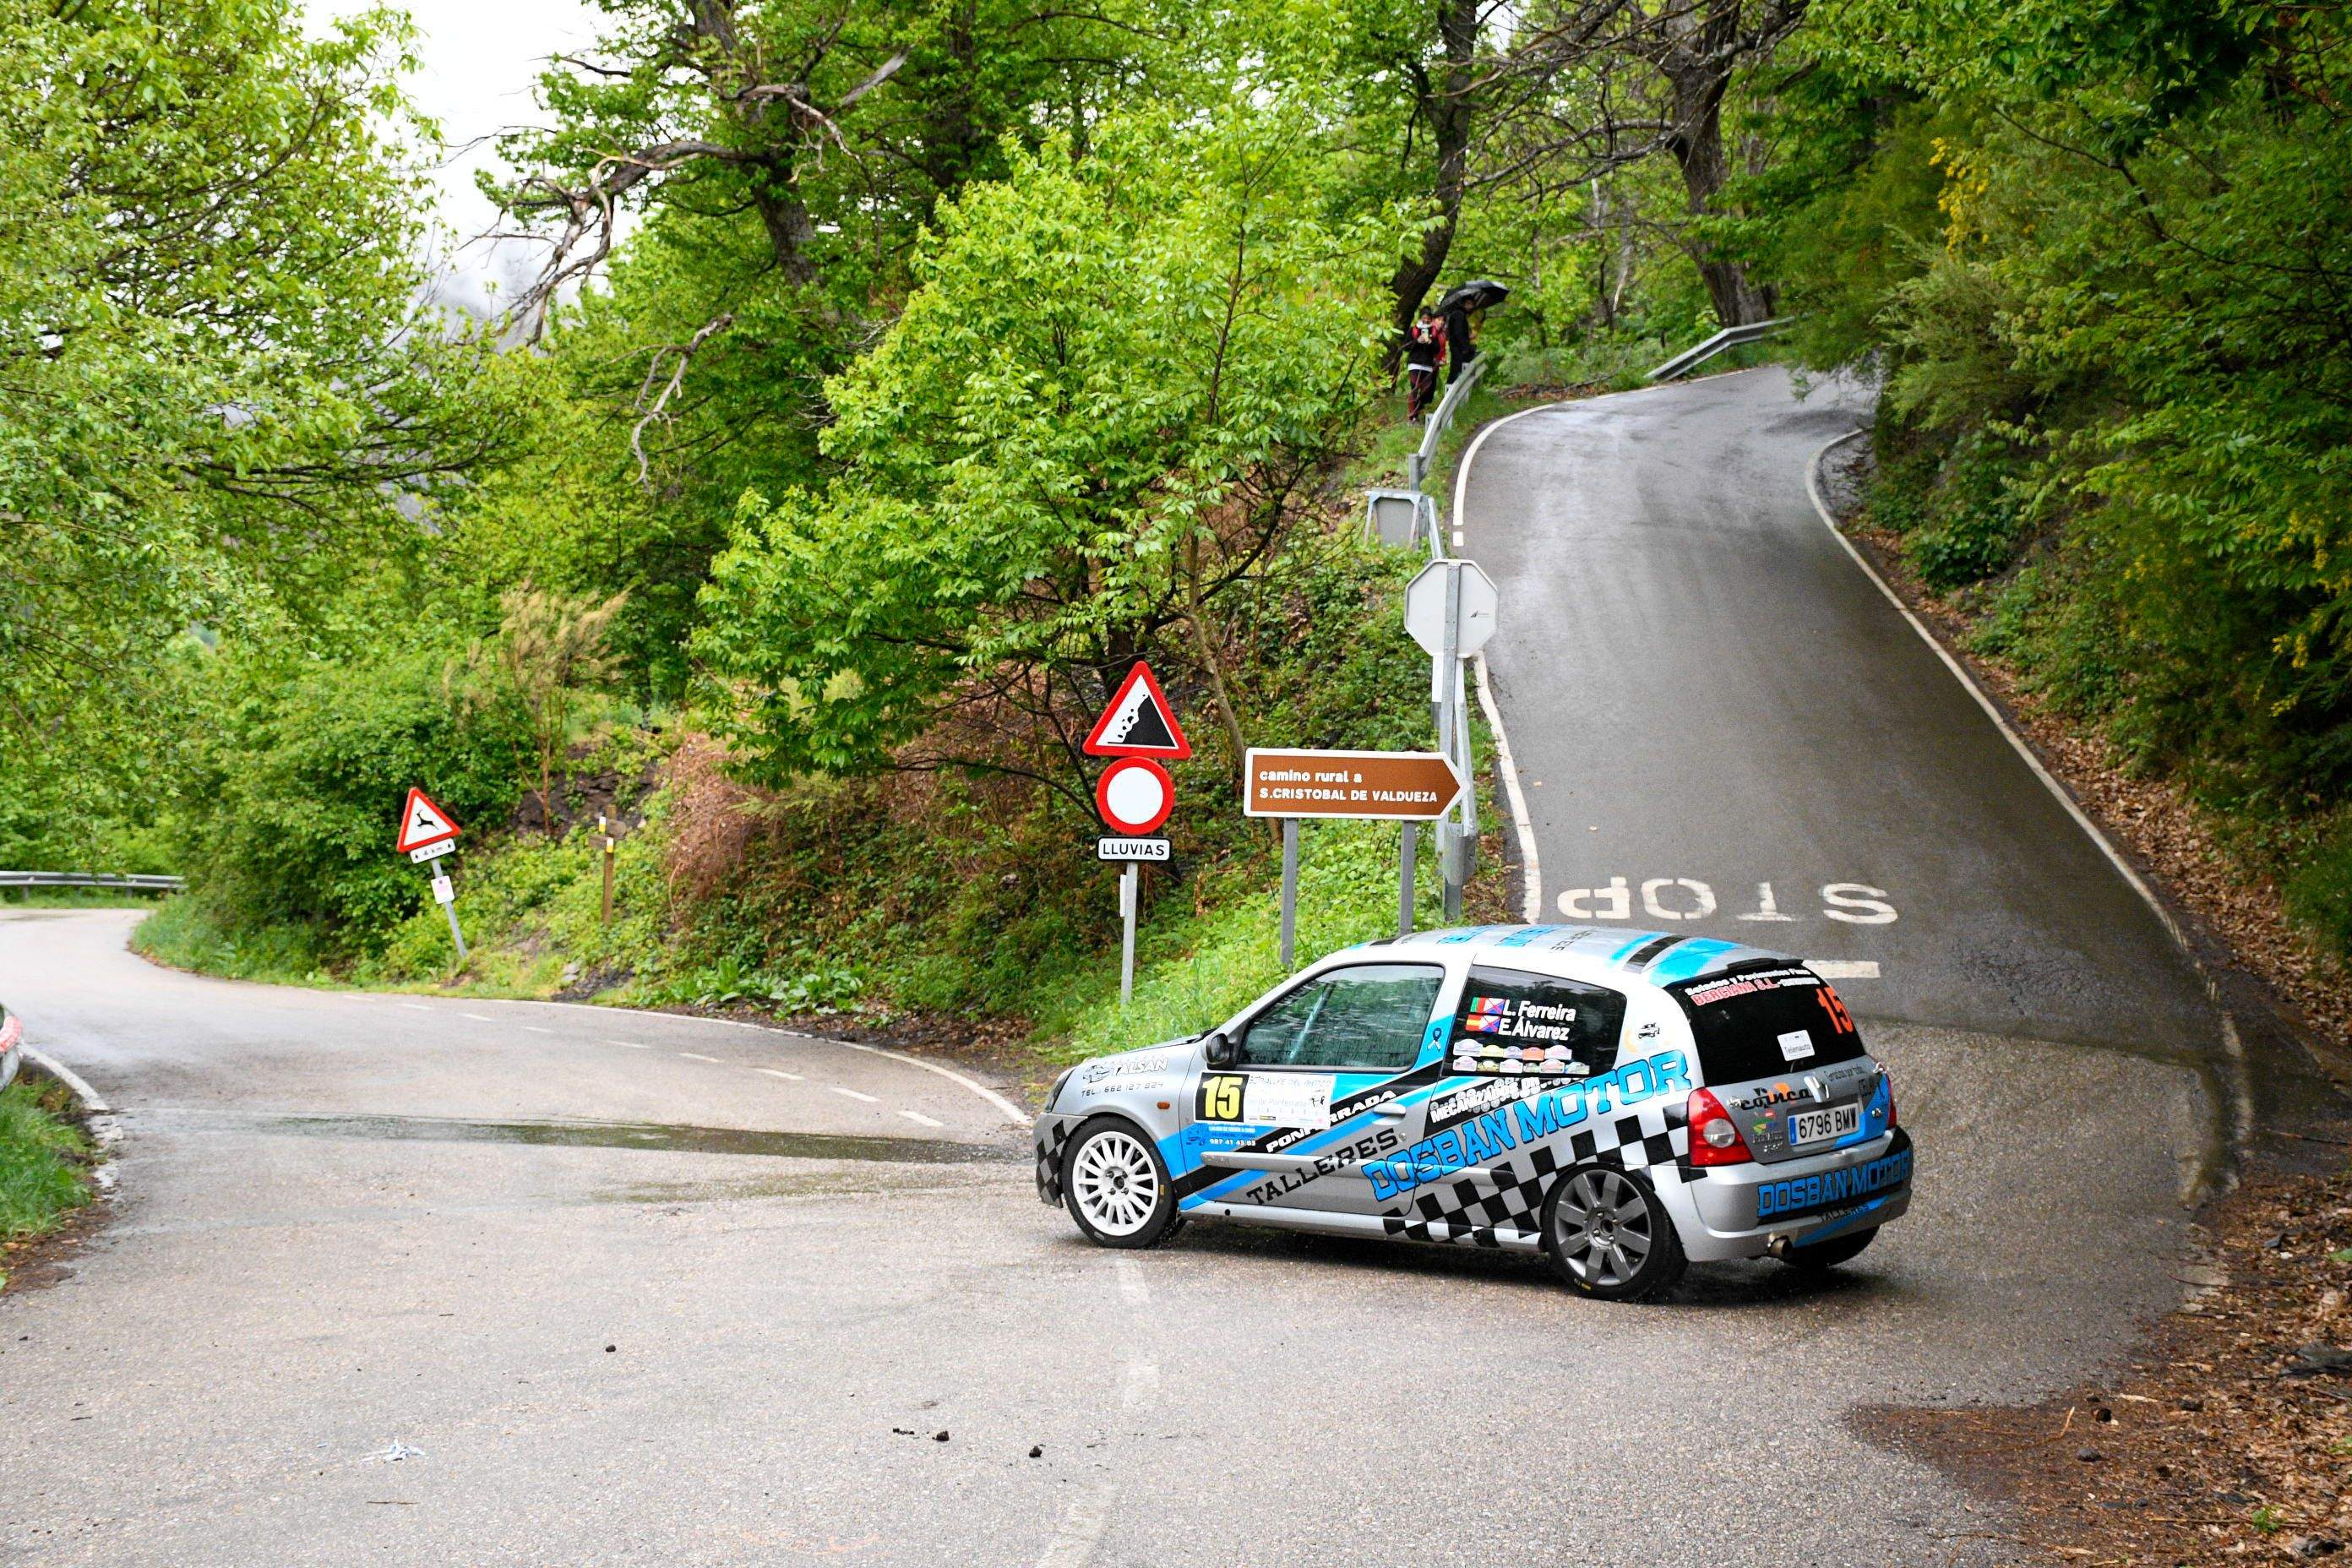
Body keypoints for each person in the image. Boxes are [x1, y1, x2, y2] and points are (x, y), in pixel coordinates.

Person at [1403, 312, 1446, 420]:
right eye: (1424, 318)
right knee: (1415, 388)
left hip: (1427, 364)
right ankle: (1412, 416)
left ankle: (1418, 411)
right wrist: (1417, 341)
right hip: (1414, 364)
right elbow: (1406, 347)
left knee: (1426, 390)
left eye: (1428, 319)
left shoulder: (1434, 332)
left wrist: (1430, 342)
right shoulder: (1413, 330)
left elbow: (1437, 349)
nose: (1426, 320)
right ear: (1420, 318)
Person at [1443, 298, 1476, 384]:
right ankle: (1450, 392)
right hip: (1458, 349)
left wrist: (1469, 336)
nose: (1470, 306)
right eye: (1468, 304)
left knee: (1458, 370)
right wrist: (1465, 348)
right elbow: (1457, 333)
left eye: (1472, 304)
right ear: (1463, 304)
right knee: (1456, 370)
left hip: (1459, 347)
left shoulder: (1461, 315)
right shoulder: (1458, 314)